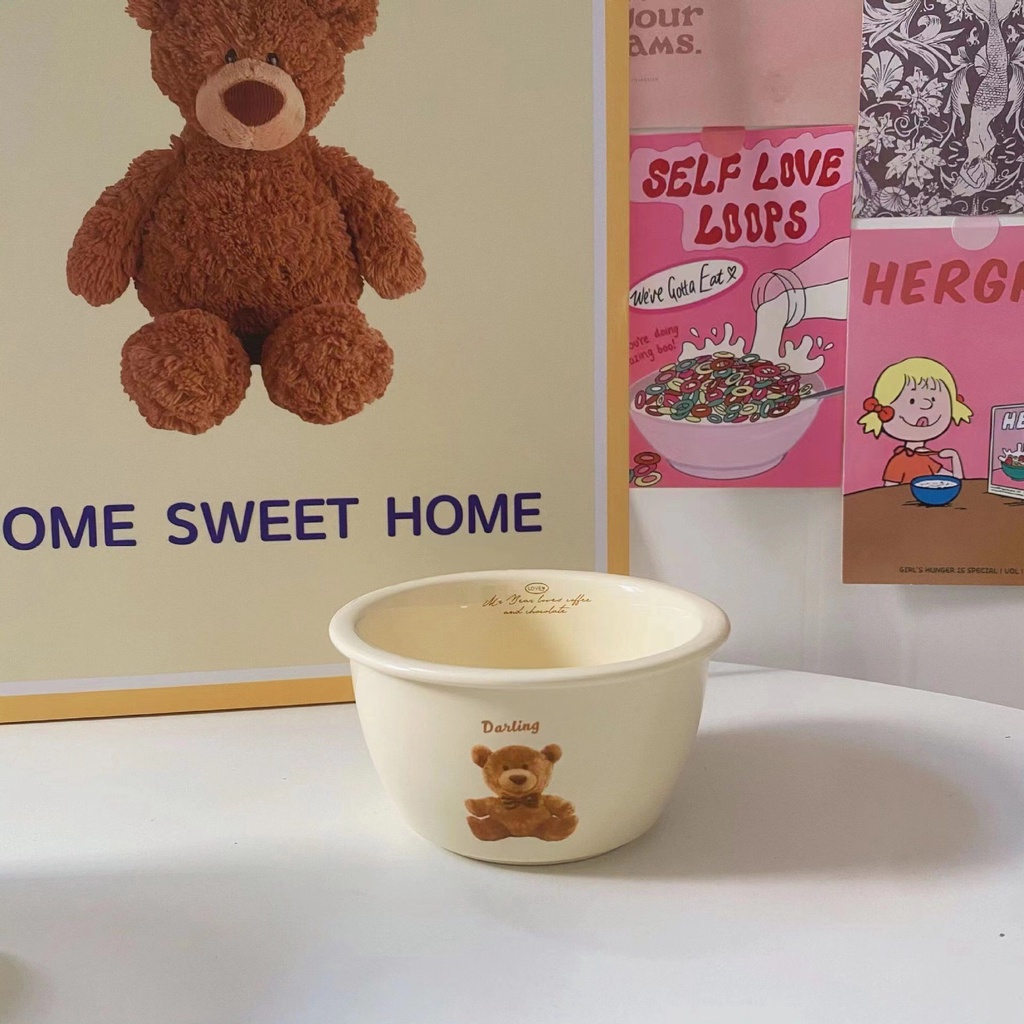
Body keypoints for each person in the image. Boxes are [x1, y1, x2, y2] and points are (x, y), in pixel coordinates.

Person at [858, 357, 973, 486]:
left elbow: (956, 481)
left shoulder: (924, 459)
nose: (926, 405)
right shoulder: (899, 461)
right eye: (911, 401)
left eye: (933, 399)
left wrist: (954, 456)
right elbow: (887, 492)